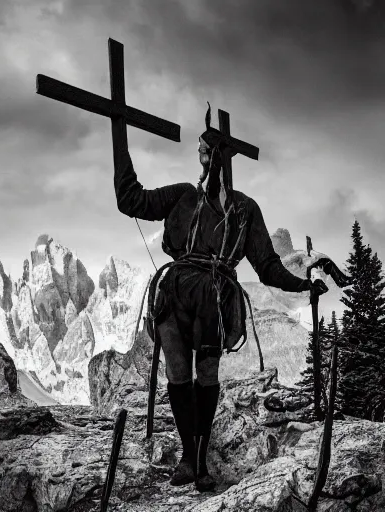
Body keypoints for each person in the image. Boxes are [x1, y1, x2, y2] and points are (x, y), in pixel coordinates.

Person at [113, 105, 328, 492]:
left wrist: (304, 286)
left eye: (204, 152)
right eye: (199, 153)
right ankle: (189, 457)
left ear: (216, 157)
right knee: (178, 373)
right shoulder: (182, 196)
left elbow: (267, 266)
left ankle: (197, 459)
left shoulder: (245, 210)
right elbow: (132, 200)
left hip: (213, 297)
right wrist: (120, 131)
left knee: (206, 375)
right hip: (175, 292)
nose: (200, 159)